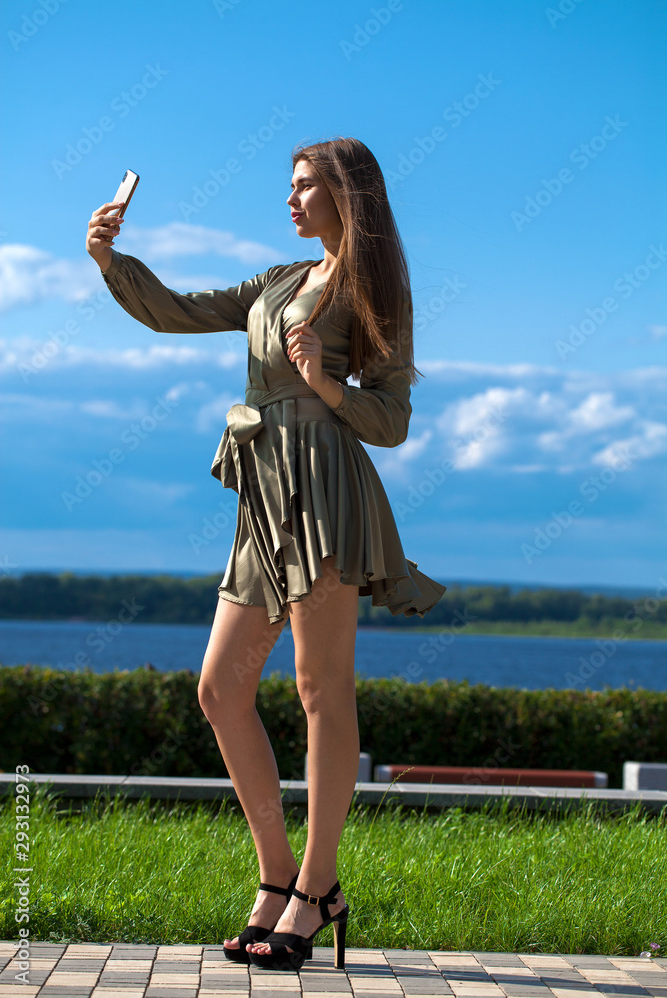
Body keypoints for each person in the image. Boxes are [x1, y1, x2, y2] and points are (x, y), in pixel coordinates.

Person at [86, 136, 447, 972]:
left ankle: (318, 887)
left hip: (325, 492)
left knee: (320, 689)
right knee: (220, 688)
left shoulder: (374, 288)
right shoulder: (275, 282)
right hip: (263, 499)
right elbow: (176, 309)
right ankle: (277, 873)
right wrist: (110, 259)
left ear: (345, 196)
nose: (289, 201)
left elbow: (390, 420)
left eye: (304, 187)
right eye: (288, 186)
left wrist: (326, 382)